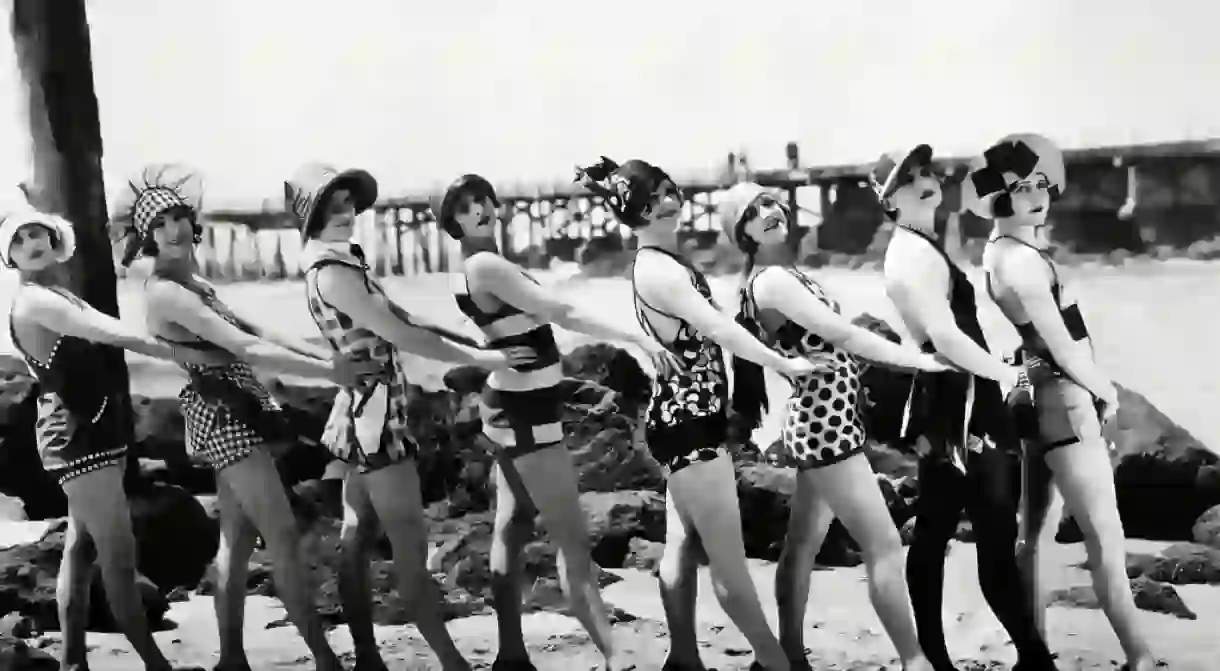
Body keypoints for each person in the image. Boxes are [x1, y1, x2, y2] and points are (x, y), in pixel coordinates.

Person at [576, 158, 834, 671]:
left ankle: (685, 658)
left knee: (682, 541)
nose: (675, 199)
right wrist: (785, 363)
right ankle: (776, 662)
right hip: (690, 428)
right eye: (663, 194)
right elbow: (720, 330)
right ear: (643, 209)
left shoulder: (659, 261)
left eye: (672, 190)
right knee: (729, 566)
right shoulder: (659, 268)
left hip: (680, 419)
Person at [286, 164, 537, 671]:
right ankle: (450, 662)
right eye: (331, 206)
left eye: (348, 204)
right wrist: (486, 361)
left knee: (355, 538)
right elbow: (398, 334)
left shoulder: (337, 265)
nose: (346, 214)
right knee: (409, 546)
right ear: (310, 216)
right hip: (377, 416)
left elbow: (403, 317)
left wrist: (471, 340)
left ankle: (366, 658)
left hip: (359, 414)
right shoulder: (334, 272)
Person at [112, 164, 361, 671]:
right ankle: (323, 659)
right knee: (284, 534)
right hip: (222, 414)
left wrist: (326, 356)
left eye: (180, 217)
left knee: (238, 538)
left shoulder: (195, 281)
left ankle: (231, 659)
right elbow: (243, 345)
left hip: (238, 405)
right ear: (147, 238)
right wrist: (329, 372)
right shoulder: (164, 291)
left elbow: (258, 328)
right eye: (160, 225)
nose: (174, 230)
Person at [437, 172, 670, 671]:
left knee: (514, 525)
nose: (480, 208)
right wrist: (638, 339)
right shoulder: (486, 264)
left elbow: (493, 326)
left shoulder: (469, 268)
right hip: (527, 418)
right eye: (464, 207)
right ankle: (615, 656)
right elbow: (560, 311)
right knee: (572, 542)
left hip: (509, 408)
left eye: (484, 198)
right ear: (451, 222)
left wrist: (487, 355)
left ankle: (511, 653)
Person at [720, 181, 947, 671]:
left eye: (771, 202)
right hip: (825, 427)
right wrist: (920, 362)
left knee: (802, 544)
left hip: (825, 420)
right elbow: (842, 334)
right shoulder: (772, 283)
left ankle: (785, 655)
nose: (770, 211)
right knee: (884, 544)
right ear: (742, 232)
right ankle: (914, 660)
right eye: (753, 211)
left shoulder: (780, 275)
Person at [3, 205, 217, 671]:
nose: (32, 244)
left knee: (81, 549)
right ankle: (155, 666)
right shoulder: (37, 301)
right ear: (9, 257)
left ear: (53, 238)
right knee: (119, 558)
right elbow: (112, 332)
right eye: (19, 242)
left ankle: (73, 660)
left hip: (95, 429)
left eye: (37, 233)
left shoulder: (54, 292)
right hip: (76, 435)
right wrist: (182, 348)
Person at [972, 134, 1155, 671]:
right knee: (1105, 538)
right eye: (1021, 189)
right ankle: (1138, 655)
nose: (1037, 197)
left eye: (1039, 185)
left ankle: (1034, 653)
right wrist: (1105, 389)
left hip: (1036, 397)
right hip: (1066, 402)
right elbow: (1060, 339)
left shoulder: (998, 252)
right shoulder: (1023, 261)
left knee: (1034, 535)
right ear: (999, 199)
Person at [873, 145, 1058, 671]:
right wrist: (1006, 373)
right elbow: (943, 335)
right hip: (961, 407)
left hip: (953, 404)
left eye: (927, 172)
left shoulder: (920, 245)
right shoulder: (910, 253)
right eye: (908, 178)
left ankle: (945, 658)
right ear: (889, 200)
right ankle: (1013, 657)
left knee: (942, 531)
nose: (925, 181)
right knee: (981, 534)